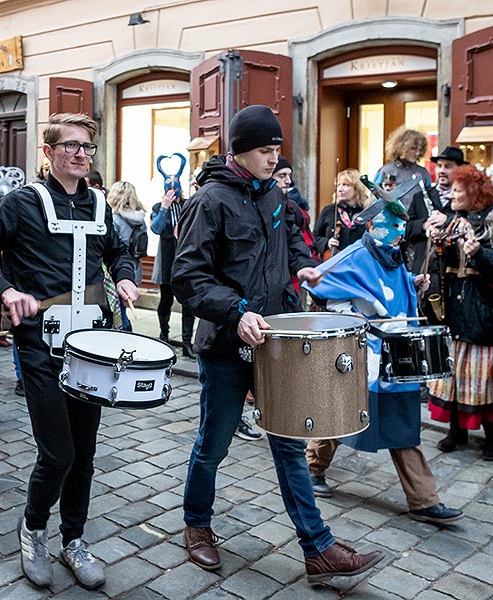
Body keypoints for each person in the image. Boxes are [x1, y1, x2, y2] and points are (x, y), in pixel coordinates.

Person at [171, 104, 383, 582]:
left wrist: (302, 268)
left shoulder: (276, 199)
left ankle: (318, 549)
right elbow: (187, 276)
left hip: (277, 343)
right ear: (240, 151)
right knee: (213, 443)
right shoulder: (210, 201)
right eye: (265, 151)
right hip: (227, 344)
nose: (273, 159)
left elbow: (289, 248)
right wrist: (235, 310)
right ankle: (197, 526)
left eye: (276, 150)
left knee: (288, 444)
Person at [0, 113, 137, 590]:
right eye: (70, 146)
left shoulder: (100, 204)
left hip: (93, 349)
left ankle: (73, 539)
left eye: (87, 148)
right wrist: (4, 290)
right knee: (57, 453)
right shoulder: (21, 204)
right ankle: (34, 529)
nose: (81, 154)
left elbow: (120, 251)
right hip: (40, 350)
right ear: (48, 152)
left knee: (86, 453)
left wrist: (125, 275)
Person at [305, 195, 463, 525]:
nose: (399, 232)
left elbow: (393, 293)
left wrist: (413, 284)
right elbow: (320, 287)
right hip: (362, 354)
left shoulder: (393, 257)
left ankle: (423, 499)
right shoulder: (355, 256)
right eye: (392, 225)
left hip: (394, 354)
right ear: (374, 225)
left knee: (402, 422)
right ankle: (311, 469)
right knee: (342, 412)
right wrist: (358, 316)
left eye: (402, 226)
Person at [426, 164, 493, 460]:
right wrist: (437, 239)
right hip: (455, 307)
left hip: (485, 310)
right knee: (453, 375)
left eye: (457, 191)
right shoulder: (454, 220)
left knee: (482, 379)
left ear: (474, 194)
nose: (451, 194)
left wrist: (478, 252)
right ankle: (457, 430)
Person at [404, 146, 466, 319]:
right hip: (425, 272)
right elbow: (405, 229)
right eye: (439, 166)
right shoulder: (421, 197)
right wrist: (424, 226)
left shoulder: (465, 199)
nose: (442, 171)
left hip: (452, 272)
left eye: (448, 166)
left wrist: (447, 221)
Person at [151, 187, 195, 357]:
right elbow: (157, 228)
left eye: (175, 187)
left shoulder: (187, 205)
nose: (173, 191)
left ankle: (186, 342)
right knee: (166, 300)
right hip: (167, 258)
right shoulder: (158, 207)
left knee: (189, 302)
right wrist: (164, 207)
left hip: (186, 258)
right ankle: (164, 335)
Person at [106, 181, 146, 331]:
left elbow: (113, 250)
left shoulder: (114, 218)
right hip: (135, 269)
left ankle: (124, 332)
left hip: (118, 272)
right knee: (124, 307)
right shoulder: (140, 219)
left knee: (118, 309)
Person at [313, 168, 371, 258]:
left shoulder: (366, 212)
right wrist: (327, 243)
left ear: (356, 189)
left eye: (345, 185)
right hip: (334, 263)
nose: (340, 189)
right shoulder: (329, 211)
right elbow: (314, 239)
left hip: (360, 262)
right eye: (338, 185)